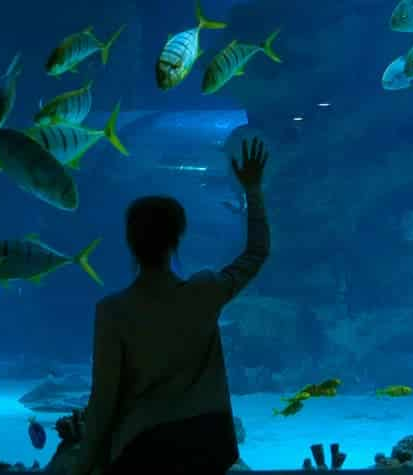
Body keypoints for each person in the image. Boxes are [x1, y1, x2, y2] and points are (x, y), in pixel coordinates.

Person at [71, 138, 271, 475]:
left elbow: (104, 400)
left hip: (145, 447)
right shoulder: (206, 291)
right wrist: (252, 190)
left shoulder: (113, 312)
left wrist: (84, 468)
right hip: (211, 443)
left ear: (130, 241)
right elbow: (256, 253)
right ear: (178, 237)